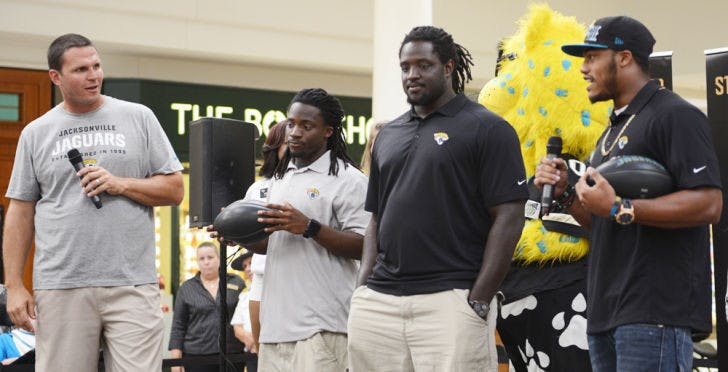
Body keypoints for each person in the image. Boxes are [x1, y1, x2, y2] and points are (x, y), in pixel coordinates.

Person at [535, 16, 723, 371]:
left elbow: (709, 203)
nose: (583, 68)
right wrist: (567, 196)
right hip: (607, 313)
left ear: (623, 58)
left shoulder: (675, 115)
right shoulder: (609, 133)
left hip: (654, 313)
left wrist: (622, 207)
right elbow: (605, 223)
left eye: (591, 56)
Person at [348, 26, 529, 371]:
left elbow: (509, 215)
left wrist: (479, 297)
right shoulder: (387, 136)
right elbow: (376, 217)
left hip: (451, 299)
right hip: (379, 301)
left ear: (448, 67)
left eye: (423, 65)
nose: (412, 75)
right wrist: (363, 287)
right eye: (405, 67)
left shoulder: (488, 128)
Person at [2, 33, 184, 372]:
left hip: (132, 283)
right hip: (61, 286)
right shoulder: (36, 133)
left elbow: (175, 189)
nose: (94, 75)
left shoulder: (139, 117)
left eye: (97, 66)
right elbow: (20, 211)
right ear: (56, 77)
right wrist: (14, 285)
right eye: (81, 69)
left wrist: (120, 183)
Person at [243, 88, 370, 371]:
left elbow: (364, 245)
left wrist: (310, 227)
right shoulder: (280, 178)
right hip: (275, 327)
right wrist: (240, 238)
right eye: (291, 123)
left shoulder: (349, 180)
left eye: (306, 126)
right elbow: (273, 245)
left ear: (328, 131)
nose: (295, 132)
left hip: (322, 328)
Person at [169, 242, 246, 372]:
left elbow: (246, 317)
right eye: (202, 258)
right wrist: (176, 361)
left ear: (219, 258)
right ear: (197, 262)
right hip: (196, 357)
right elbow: (178, 325)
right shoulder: (187, 288)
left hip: (232, 354)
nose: (206, 262)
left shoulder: (236, 282)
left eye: (210, 257)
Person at [230, 249, 257, 372]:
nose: (247, 268)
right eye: (245, 266)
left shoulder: (276, 289)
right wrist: (254, 342)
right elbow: (237, 328)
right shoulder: (244, 296)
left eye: (251, 263)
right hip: (252, 355)